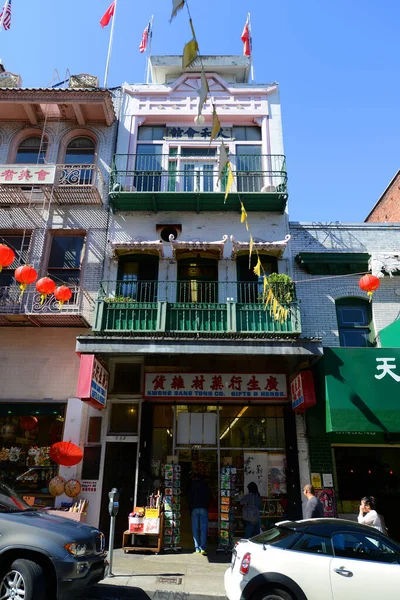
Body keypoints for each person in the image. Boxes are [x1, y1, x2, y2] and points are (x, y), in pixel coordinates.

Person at [188, 473, 211, 555]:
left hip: (194, 508)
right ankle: (203, 548)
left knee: (195, 529)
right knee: (203, 529)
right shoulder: (206, 486)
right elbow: (209, 496)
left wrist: (190, 508)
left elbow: (189, 497)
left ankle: (197, 548)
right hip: (204, 508)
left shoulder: (192, 486)